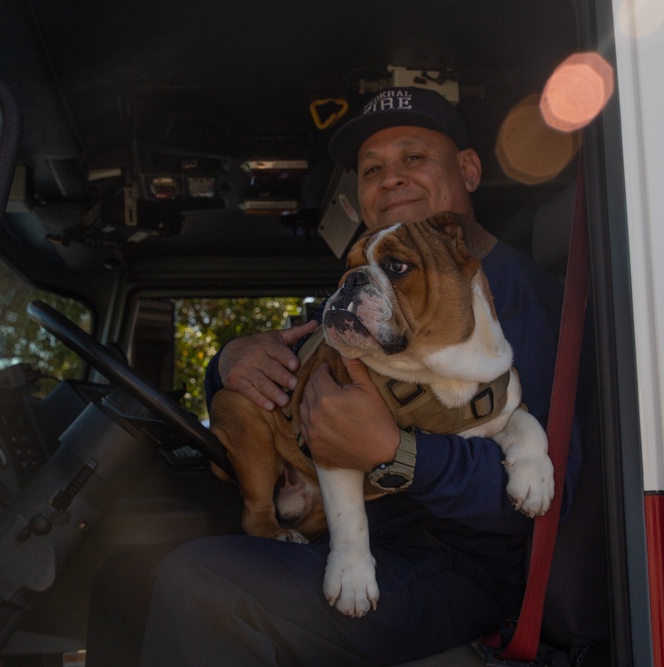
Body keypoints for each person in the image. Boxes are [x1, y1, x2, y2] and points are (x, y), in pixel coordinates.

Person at [86, 87, 580, 666]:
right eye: (372, 169)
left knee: (202, 585)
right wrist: (229, 366)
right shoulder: (368, 286)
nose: (391, 178)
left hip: (453, 562)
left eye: (413, 158)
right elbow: (291, 400)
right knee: (125, 576)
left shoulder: (517, 295)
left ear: (468, 169)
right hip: (351, 527)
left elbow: (547, 494)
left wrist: (396, 453)